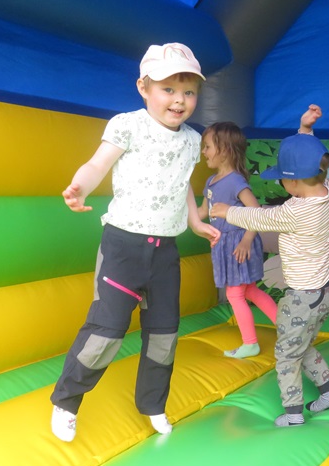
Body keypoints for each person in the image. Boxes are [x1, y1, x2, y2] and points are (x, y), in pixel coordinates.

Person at [50, 43, 220, 443]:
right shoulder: (128, 125)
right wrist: (80, 187)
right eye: (168, 89)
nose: (179, 100)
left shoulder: (191, 140)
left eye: (189, 91)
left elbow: (182, 185)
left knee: (163, 333)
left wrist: (195, 221)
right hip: (123, 246)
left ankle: (152, 403)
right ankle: (67, 401)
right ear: (143, 87)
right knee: (107, 330)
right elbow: (98, 164)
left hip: (165, 251)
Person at [209, 105, 329, 427]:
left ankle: (294, 413)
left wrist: (227, 211)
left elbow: (259, 218)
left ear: (292, 184)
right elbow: (309, 162)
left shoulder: (294, 213)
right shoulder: (327, 191)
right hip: (325, 293)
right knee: (301, 345)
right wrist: (305, 131)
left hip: (302, 298)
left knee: (286, 354)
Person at [196, 121, 278, 359]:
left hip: (238, 244)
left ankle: (250, 343)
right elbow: (202, 212)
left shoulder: (235, 181)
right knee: (250, 290)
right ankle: (288, 330)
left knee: (235, 294)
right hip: (224, 244)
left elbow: (256, 212)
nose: (204, 152)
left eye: (208, 147)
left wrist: (246, 240)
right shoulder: (211, 182)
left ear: (223, 150)